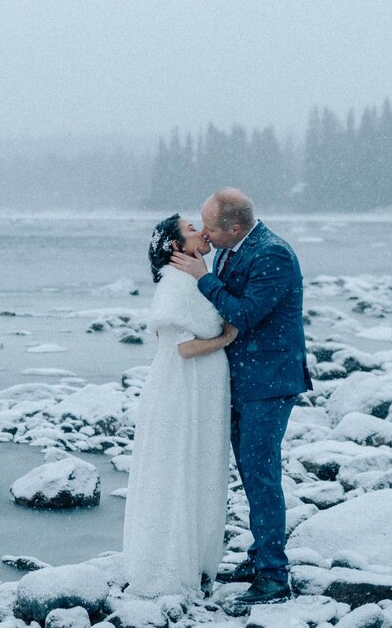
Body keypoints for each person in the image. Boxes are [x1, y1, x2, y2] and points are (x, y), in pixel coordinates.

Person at [169, 187, 310, 606]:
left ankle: (273, 576)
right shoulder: (232, 249)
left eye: (210, 226)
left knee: (262, 475)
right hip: (243, 380)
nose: (205, 236)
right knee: (251, 474)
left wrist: (202, 279)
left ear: (234, 227)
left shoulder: (273, 255)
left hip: (269, 383)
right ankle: (259, 556)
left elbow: (245, 314)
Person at [122, 214, 239, 598]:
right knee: (179, 466)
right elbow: (182, 347)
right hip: (181, 389)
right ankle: (166, 566)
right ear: (176, 248)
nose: (202, 232)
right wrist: (226, 338)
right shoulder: (175, 285)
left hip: (201, 389)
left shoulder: (196, 279)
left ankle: (197, 561)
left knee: (200, 466)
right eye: (192, 230)